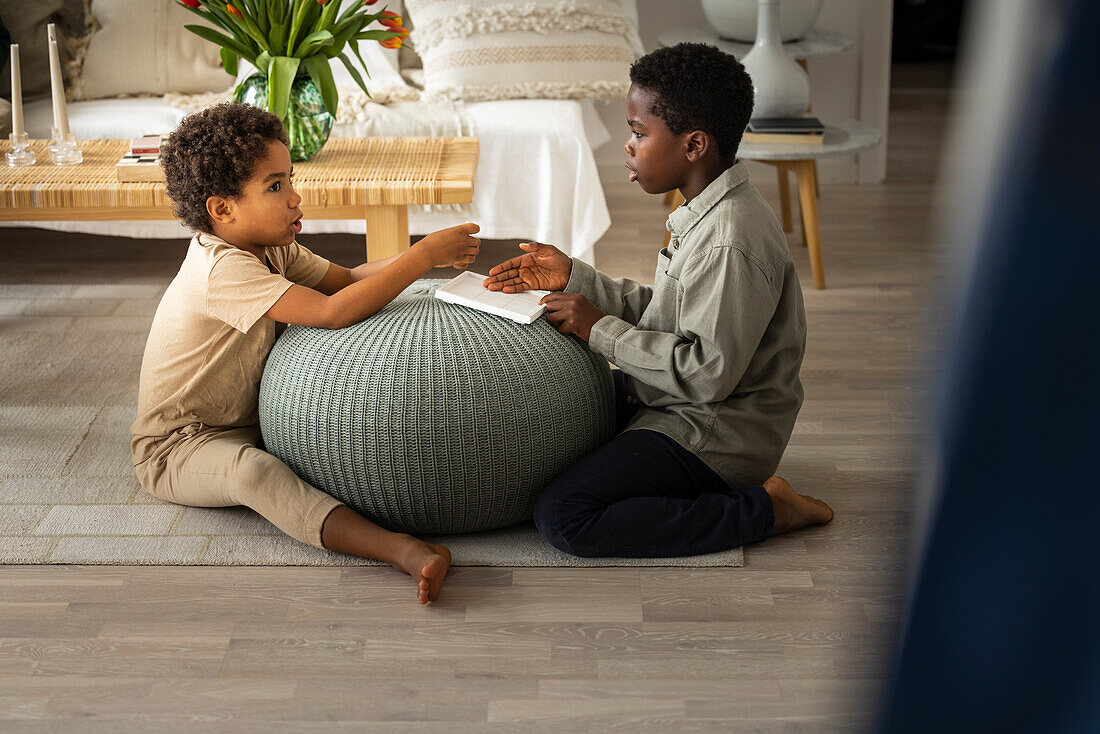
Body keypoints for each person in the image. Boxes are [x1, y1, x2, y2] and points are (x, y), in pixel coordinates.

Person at [484, 43, 833, 558]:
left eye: (639, 133)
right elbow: (668, 312)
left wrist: (597, 328)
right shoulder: (707, 210)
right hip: (672, 404)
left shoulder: (731, 240)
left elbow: (707, 372)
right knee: (532, 408)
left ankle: (766, 510)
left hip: (714, 433)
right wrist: (576, 278)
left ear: (693, 146)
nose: (628, 145)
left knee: (564, 515)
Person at [130, 102, 480, 602]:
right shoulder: (222, 269)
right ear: (222, 209)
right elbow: (331, 312)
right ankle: (401, 550)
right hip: (178, 446)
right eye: (275, 187)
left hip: (250, 420)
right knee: (254, 473)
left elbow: (350, 279)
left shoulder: (272, 247)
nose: (295, 197)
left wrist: (424, 254)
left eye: (290, 179)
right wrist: (422, 257)